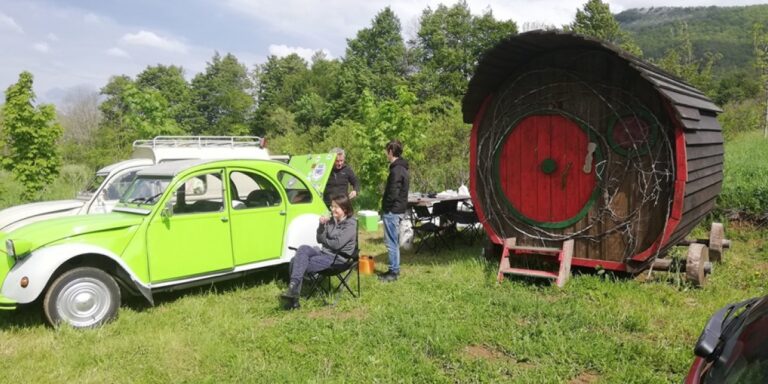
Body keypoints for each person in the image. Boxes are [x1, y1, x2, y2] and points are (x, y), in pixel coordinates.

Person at [280, 194, 357, 309]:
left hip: (337, 259)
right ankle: (293, 289)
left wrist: (325, 240)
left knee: (296, 261)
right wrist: (321, 226)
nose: (332, 209)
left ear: (344, 209)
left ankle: (293, 298)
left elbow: (337, 245)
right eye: (331, 206)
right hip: (324, 253)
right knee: (303, 248)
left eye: (335, 207)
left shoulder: (351, 224)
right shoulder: (331, 220)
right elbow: (319, 239)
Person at [378, 139, 409, 282]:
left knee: (391, 242)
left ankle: (393, 272)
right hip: (399, 209)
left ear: (390, 151)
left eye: (387, 151)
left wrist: (385, 208)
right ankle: (394, 269)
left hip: (393, 211)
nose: (386, 154)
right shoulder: (402, 168)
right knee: (394, 241)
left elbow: (393, 192)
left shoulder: (396, 170)